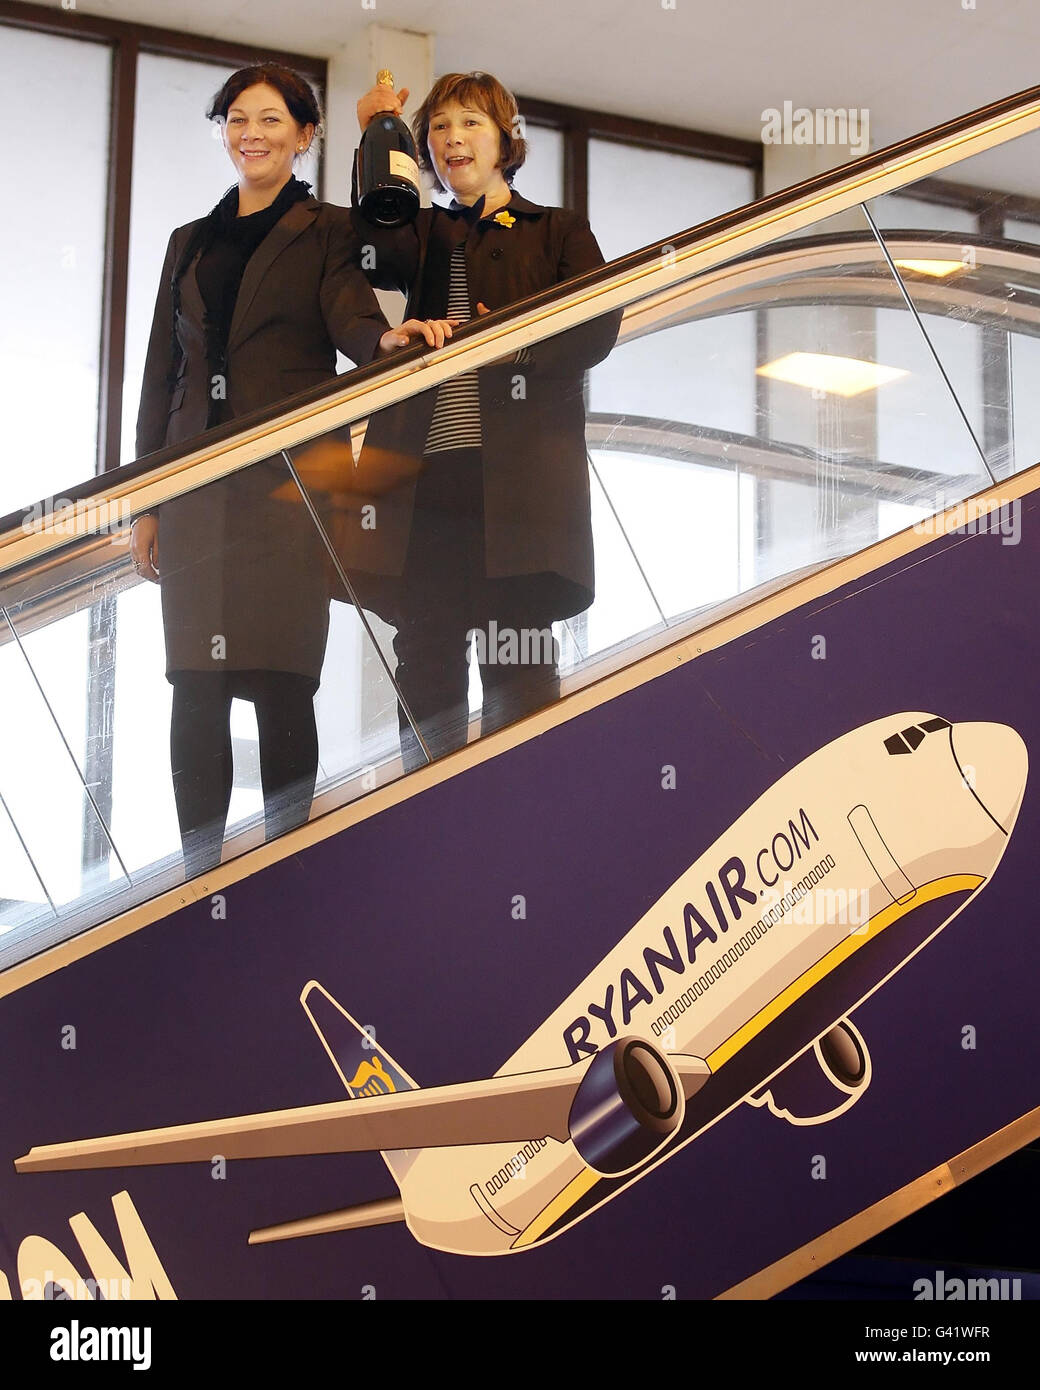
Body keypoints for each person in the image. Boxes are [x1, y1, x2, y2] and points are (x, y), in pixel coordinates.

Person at [130, 63, 450, 878]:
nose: (251, 134)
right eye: (237, 119)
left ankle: (285, 872)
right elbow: (162, 373)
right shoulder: (187, 242)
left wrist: (388, 340)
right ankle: (199, 880)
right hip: (196, 483)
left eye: (271, 120)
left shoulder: (330, 228)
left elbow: (351, 311)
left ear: (305, 136)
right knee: (194, 685)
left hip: (286, 483)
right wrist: (146, 500)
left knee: (282, 679)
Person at [341, 71, 622, 770]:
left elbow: (597, 327)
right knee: (426, 658)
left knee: (518, 659)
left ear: (504, 137)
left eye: (469, 123)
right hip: (427, 483)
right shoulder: (425, 232)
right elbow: (373, 238)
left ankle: (524, 825)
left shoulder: (556, 230)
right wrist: (378, 133)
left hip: (518, 488)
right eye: (438, 127)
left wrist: (518, 338)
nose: (452, 138)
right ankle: (431, 825)